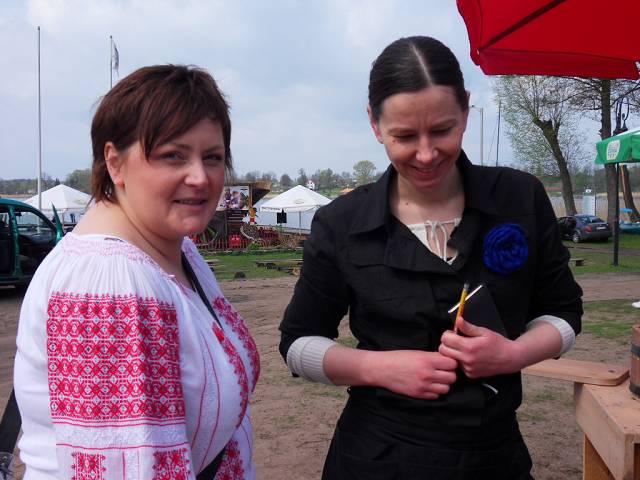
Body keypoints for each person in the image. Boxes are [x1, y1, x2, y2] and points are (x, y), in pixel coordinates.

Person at [279, 36, 582, 479]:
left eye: (442, 130)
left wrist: (513, 354)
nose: (426, 154)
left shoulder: (520, 197)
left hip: (494, 458)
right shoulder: (340, 222)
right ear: (374, 123)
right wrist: (377, 367)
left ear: (466, 110)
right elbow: (296, 344)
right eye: (404, 136)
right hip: (378, 459)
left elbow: (564, 313)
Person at [14, 65, 259, 479]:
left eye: (212, 157)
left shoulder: (173, 247)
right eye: (173, 155)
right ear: (115, 162)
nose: (200, 177)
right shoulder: (108, 283)